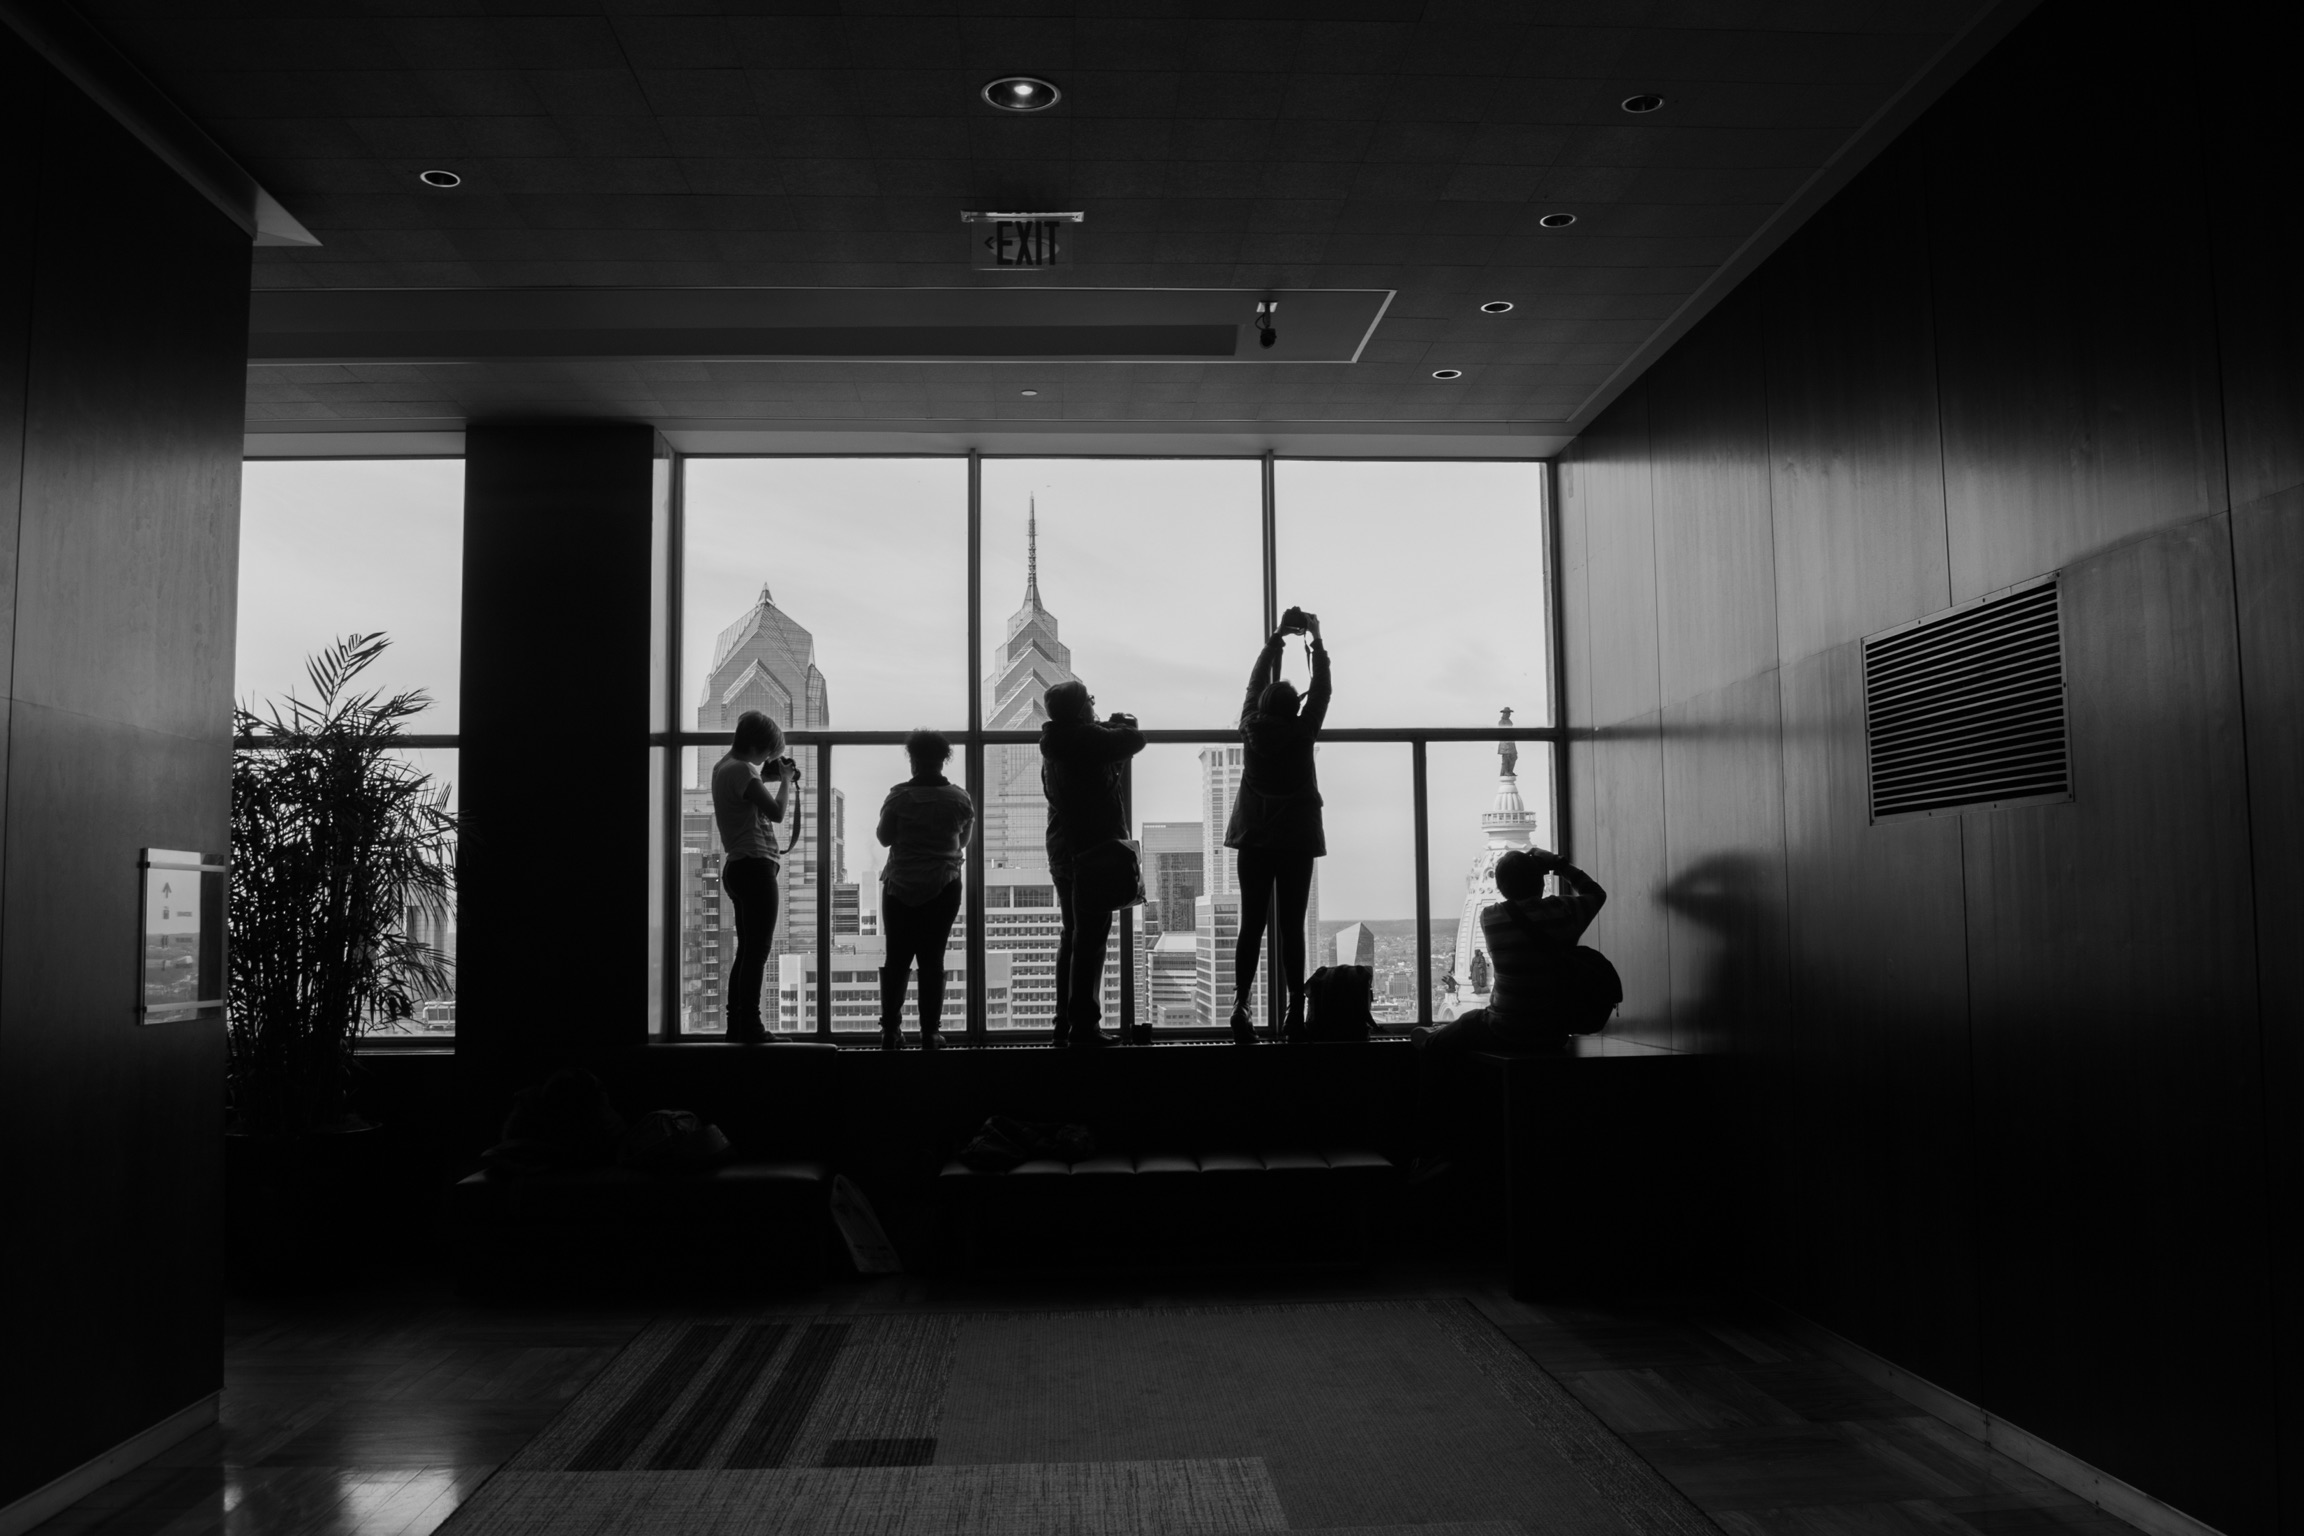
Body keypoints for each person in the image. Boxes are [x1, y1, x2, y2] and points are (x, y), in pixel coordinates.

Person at [1410, 847, 1610, 1172]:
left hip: (1503, 1026)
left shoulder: (1492, 916)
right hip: (1552, 1032)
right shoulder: (1563, 913)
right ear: (1541, 882)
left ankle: (1429, 1152)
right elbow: (1596, 893)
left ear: (1501, 887)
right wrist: (1558, 865)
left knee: (1443, 1042)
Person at [1222, 608, 1331, 1044]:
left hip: (1253, 836)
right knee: (1292, 926)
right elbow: (1321, 689)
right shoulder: (1303, 733)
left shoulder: (1249, 727)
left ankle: (1240, 1004)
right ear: (1295, 708)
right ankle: (1294, 1011)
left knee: (1251, 924)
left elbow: (1253, 685)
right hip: (1296, 839)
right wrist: (1315, 640)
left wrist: (1275, 639)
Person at [1039, 677, 1144, 1047]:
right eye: (1091, 701)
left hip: (1062, 849)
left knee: (1072, 936)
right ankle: (1084, 1026)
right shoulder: (1084, 738)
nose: (1094, 706)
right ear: (1081, 707)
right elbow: (1134, 740)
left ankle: (1064, 1022)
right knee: (1091, 940)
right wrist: (1118, 724)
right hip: (1093, 851)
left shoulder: (1054, 741)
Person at [875, 729, 973, 1050]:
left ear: (913, 759)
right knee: (933, 959)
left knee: (897, 958)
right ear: (944, 759)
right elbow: (962, 842)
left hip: (900, 886)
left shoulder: (899, 797)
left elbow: (884, 838)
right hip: (943, 886)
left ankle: (891, 1031)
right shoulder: (960, 798)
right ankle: (930, 1032)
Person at [711, 709, 796, 1044]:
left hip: (738, 866)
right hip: (755, 867)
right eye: (769, 752)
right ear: (760, 746)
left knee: (746, 951)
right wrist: (786, 780)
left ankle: (738, 1024)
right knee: (757, 952)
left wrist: (768, 778)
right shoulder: (743, 769)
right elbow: (776, 813)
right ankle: (753, 1027)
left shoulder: (723, 767)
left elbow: (748, 799)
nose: (768, 759)